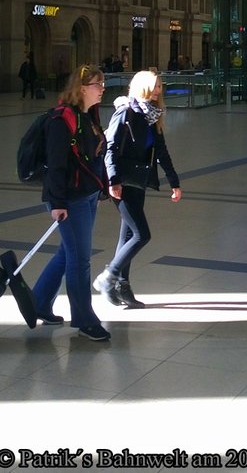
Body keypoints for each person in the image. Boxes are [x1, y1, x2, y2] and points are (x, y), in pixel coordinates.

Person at [31, 65, 112, 340]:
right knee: (80, 259)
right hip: (69, 199)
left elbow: (93, 157)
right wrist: (57, 203)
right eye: (97, 84)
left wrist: (100, 189)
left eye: (102, 83)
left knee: (68, 253)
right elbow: (56, 165)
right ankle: (85, 320)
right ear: (81, 89)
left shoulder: (89, 115)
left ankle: (39, 303)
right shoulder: (62, 119)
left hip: (86, 195)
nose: (102, 88)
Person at [94, 70, 182, 309]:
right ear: (142, 86)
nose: (158, 90)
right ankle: (109, 276)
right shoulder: (126, 112)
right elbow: (110, 149)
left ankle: (122, 285)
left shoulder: (153, 116)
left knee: (129, 235)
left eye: (160, 86)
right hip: (122, 179)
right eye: (154, 86)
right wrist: (113, 181)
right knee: (142, 234)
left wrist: (174, 181)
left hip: (138, 179)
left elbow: (161, 151)